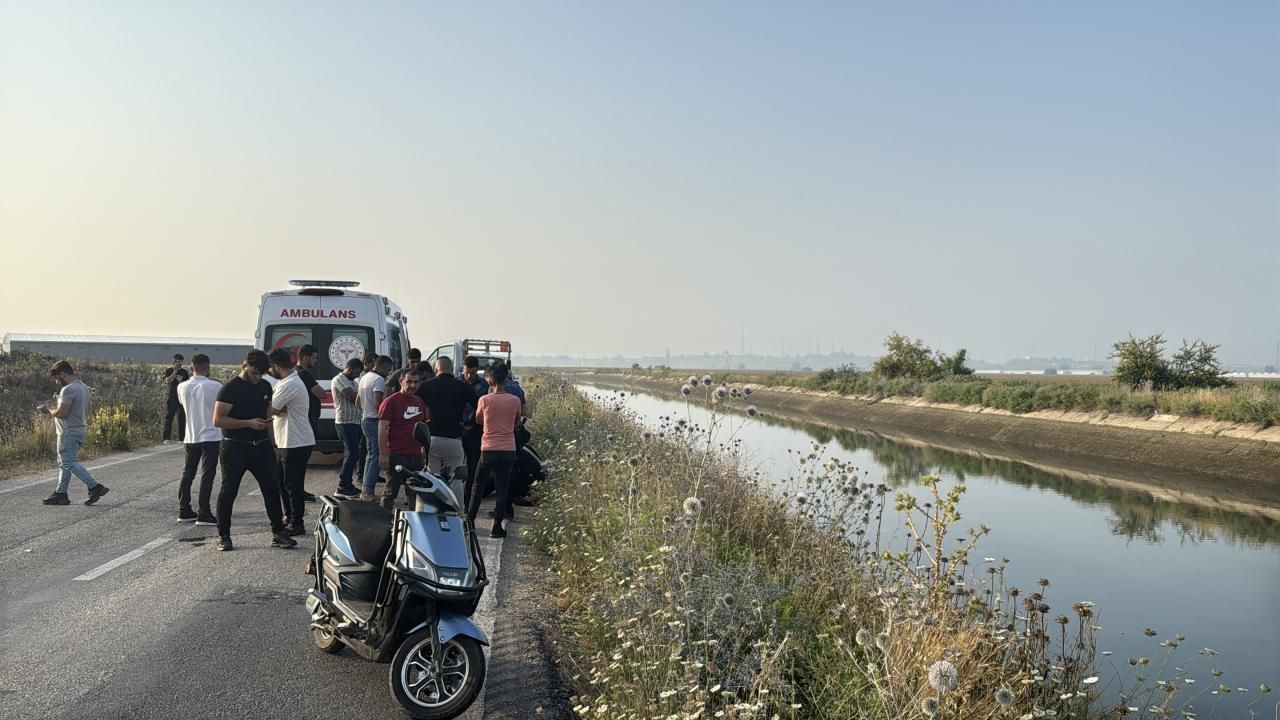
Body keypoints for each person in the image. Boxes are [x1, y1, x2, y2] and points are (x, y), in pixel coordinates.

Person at [212, 350, 297, 552]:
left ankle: (278, 532)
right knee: (229, 491)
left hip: (261, 447)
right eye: (254, 373)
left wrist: (274, 445)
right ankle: (224, 535)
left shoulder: (265, 386)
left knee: (271, 489)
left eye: (261, 373)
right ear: (245, 366)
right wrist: (248, 423)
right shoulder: (230, 388)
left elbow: (268, 417)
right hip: (235, 447)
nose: (257, 377)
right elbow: (218, 419)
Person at [40, 360, 110, 506]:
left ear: (63, 374)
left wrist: (48, 410)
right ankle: (61, 493)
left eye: (57, 378)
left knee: (68, 462)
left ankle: (94, 486)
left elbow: (62, 413)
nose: (56, 382)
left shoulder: (68, 390)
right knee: (64, 463)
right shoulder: (83, 387)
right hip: (79, 429)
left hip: (68, 432)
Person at [466, 362, 522, 538]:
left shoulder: (484, 400)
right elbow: (517, 422)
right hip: (508, 448)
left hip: (489, 448)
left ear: (490, 380)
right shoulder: (515, 400)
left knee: (477, 485)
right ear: (506, 379)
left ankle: (470, 521)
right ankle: (497, 526)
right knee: (502, 488)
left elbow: (478, 419)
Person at [268, 348, 314, 535]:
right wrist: (280, 409)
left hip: (295, 440)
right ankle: (289, 516)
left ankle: (297, 522)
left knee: (292, 485)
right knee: (283, 483)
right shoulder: (286, 382)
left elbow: (270, 409)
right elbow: (276, 408)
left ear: (276, 366)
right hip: (287, 439)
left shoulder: (290, 383)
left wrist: (277, 409)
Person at [415, 357, 474, 500]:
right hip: (454, 439)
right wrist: (469, 423)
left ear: (436, 369)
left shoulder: (426, 386)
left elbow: (415, 406)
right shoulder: (463, 387)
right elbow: (479, 405)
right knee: (455, 480)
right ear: (452, 369)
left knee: (431, 478)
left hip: (432, 439)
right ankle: (457, 510)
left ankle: (430, 509)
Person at [175, 354, 221, 524]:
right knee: (207, 474)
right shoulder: (215, 386)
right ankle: (204, 511)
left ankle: (184, 509)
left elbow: (182, 404)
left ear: (191, 367)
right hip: (211, 434)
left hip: (191, 435)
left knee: (188, 472)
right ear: (208, 368)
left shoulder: (182, 386)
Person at [377, 366, 428, 509]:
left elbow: (423, 427)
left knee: (414, 494)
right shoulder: (390, 401)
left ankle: (413, 522)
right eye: (409, 381)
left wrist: (424, 449)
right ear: (401, 381)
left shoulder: (419, 401)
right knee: (390, 493)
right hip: (396, 455)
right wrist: (383, 455)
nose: (413, 385)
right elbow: (382, 429)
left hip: (415, 456)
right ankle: (383, 521)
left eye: (416, 382)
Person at [294, 344, 326, 503]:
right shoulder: (303, 374)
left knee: (301, 459)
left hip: (304, 419)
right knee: (301, 459)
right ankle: (297, 491)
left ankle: (298, 489)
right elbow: (320, 393)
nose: (315, 361)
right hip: (307, 420)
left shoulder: (296, 373)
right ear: (305, 357)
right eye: (313, 358)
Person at [357, 355, 392, 501]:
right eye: (388, 369)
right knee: (375, 456)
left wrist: (366, 410)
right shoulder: (378, 380)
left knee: (370, 455)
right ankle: (367, 492)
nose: (388, 373)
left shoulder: (364, 377)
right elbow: (379, 404)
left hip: (365, 419)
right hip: (374, 421)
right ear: (383, 366)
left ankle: (366, 489)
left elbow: (357, 402)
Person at [330, 357, 364, 499]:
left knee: (351, 454)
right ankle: (342, 485)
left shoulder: (353, 382)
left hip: (355, 422)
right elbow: (353, 397)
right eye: (356, 372)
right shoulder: (339, 379)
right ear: (349, 369)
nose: (357, 376)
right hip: (345, 422)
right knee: (352, 453)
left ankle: (348, 484)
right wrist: (364, 397)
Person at [459, 355, 489, 493]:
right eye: (467, 372)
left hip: (475, 429)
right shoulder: (456, 382)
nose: (469, 376)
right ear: (463, 369)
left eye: (472, 373)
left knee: (473, 465)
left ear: (477, 370)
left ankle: (468, 495)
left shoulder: (484, 385)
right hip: (457, 428)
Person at [161, 353, 190, 444]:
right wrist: (175, 371)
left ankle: (181, 438)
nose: (180, 364)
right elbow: (168, 381)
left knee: (182, 418)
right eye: (178, 362)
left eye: (181, 362)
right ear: (174, 362)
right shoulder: (169, 371)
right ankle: (166, 438)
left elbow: (187, 384)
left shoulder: (184, 372)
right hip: (172, 397)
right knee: (169, 417)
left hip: (182, 398)